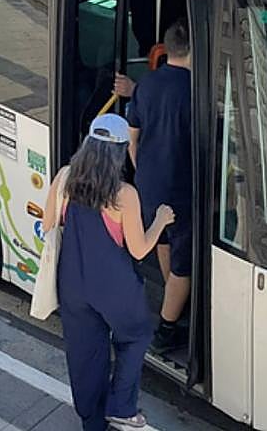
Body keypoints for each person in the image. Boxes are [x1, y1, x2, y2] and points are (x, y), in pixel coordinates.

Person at [43, 114, 174, 431]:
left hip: (73, 282)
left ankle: (92, 420)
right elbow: (139, 249)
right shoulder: (124, 194)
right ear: (119, 152)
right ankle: (121, 406)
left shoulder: (65, 178)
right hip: (114, 286)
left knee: (86, 354)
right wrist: (161, 219)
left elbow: (48, 226)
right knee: (136, 335)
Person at [125, 22, 193, 356]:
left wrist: (145, 174)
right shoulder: (197, 90)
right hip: (179, 189)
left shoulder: (147, 84)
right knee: (185, 264)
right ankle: (168, 328)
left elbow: (132, 140)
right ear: (193, 50)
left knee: (161, 239)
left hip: (148, 184)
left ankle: (171, 297)